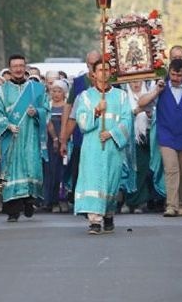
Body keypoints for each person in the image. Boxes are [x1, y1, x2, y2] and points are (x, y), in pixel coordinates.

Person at [135, 58, 182, 217]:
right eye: (173, 75)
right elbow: (141, 103)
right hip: (166, 137)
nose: (175, 78)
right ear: (169, 73)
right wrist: (156, 91)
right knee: (171, 169)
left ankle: (181, 203)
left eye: (179, 75)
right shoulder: (161, 89)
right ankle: (171, 205)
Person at [73, 60, 132, 235]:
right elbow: (81, 121)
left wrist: (112, 133)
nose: (104, 73)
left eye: (107, 69)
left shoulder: (121, 96)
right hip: (92, 147)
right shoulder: (86, 96)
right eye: (100, 70)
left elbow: (127, 120)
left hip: (113, 147)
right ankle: (94, 221)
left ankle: (108, 214)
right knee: (92, 180)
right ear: (93, 73)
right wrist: (96, 112)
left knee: (111, 181)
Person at [0, 54, 49, 222]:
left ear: (25, 68)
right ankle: (13, 210)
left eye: (21, 66)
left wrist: (37, 112)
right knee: (11, 171)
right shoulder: (0, 91)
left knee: (31, 168)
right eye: (15, 66)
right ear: (10, 69)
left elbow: (46, 110)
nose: (18, 69)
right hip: (12, 138)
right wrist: (7, 125)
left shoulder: (36, 89)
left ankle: (29, 202)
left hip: (31, 137)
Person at [58, 50, 102, 198]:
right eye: (91, 64)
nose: (94, 67)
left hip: (101, 134)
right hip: (80, 134)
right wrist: (64, 137)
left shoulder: (110, 84)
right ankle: (79, 197)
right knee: (78, 166)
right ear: (87, 64)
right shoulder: (78, 83)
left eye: (97, 63)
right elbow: (69, 109)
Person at [123, 78, 158, 213]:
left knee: (143, 169)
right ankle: (127, 201)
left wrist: (149, 115)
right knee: (128, 169)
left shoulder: (149, 93)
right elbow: (122, 115)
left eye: (138, 81)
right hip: (128, 138)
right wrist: (135, 111)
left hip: (145, 137)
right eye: (132, 81)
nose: (135, 84)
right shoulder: (124, 96)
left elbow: (155, 114)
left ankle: (140, 202)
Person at [43, 80, 68, 212]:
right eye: (54, 91)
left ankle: (62, 200)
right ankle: (49, 200)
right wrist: (54, 139)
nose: (56, 94)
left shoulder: (67, 106)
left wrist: (64, 140)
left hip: (65, 140)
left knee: (62, 170)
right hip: (49, 141)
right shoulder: (47, 105)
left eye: (59, 91)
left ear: (64, 93)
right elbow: (46, 123)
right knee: (50, 170)